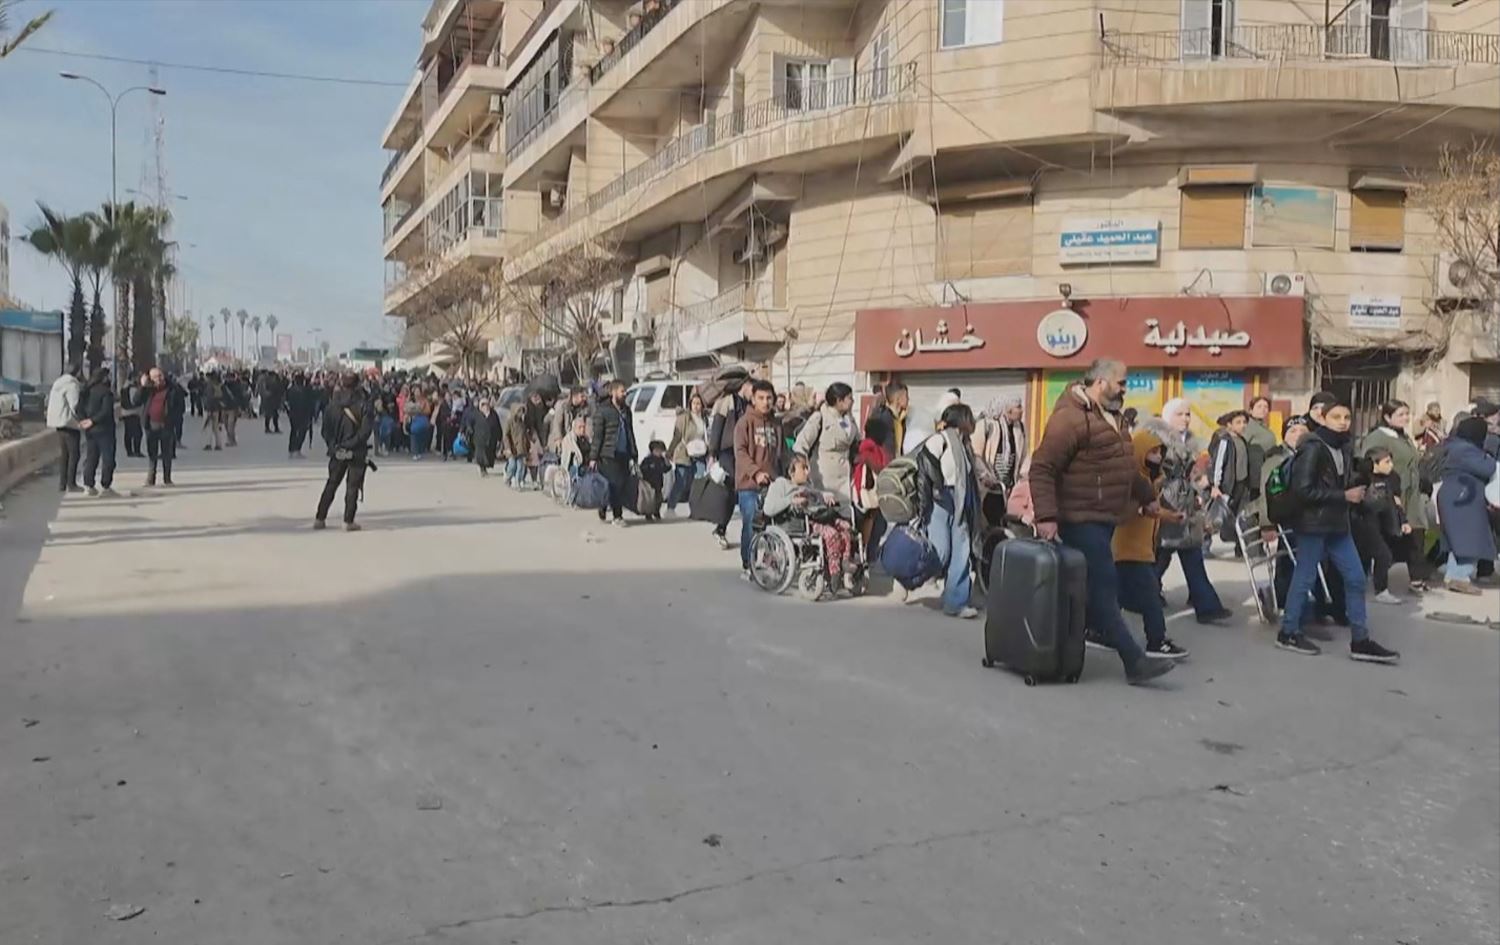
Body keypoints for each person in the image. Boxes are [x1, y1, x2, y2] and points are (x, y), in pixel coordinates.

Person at [1029, 359, 1175, 685]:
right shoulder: (1069, 418)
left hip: (1106, 518)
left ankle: (1095, 634)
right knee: (1105, 587)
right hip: (1080, 518)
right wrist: (1047, 517)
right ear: (1100, 382)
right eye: (1121, 383)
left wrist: (1146, 496)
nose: (1125, 389)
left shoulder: (1112, 417)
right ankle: (1134, 661)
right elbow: (1042, 468)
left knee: (1096, 589)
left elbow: (1122, 467)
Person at [1275, 400, 1400, 663]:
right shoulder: (1312, 447)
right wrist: (1344, 495)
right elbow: (1303, 490)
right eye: (1336, 417)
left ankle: (1360, 639)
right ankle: (1288, 631)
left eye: (1346, 416)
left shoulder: (1343, 446)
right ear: (1322, 418)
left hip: (1337, 523)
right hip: (1313, 523)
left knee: (1355, 577)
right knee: (1305, 576)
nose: (1343, 421)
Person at [1147, 398, 1232, 624]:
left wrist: (1200, 485)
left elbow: (1190, 472)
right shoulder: (1156, 439)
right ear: (1167, 416)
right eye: (1179, 414)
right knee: (1160, 557)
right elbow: (1150, 472)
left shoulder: (1189, 441)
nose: (1185, 419)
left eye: (1187, 414)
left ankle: (1207, 606)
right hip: (1166, 503)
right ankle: (1142, 595)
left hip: (1186, 505)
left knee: (1191, 555)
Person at [1113, 429, 1190, 659]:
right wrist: (1144, 508)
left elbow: (1152, 510)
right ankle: (1156, 641)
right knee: (1151, 597)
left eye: (1159, 452)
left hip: (1142, 550)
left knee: (1115, 596)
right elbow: (1126, 509)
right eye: (1152, 452)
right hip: (1130, 549)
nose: (1157, 457)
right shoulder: (1133, 480)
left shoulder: (1150, 479)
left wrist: (1169, 516)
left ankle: (1098, 630)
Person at [915, 403, 981, 619]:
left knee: (962, 550)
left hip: (960, 501)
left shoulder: (965, 445)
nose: (973, 423)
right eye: (970, 418)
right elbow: (924, 464)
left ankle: (956, 602)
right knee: (940, 551)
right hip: (941, 499)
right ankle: (909, 575)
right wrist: (936, 489)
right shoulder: (940, 439)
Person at [1359, 400, 1432, 592]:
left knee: (1416, 533)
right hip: (1390, 492)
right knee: (1385, 535)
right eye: (1400, 414)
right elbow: (1368, 462)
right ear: (1387, 417)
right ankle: (1372, 579)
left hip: (1411, 492)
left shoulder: (1404, 437)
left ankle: (1416, 578)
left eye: (1407, 414)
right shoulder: (1379, 437)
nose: (1406, 418)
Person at [765, 455, 856, 594]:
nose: (807, 472)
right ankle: (834, 573)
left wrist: (824, 495)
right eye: (804, 468)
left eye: (808, 468)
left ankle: (845, 564)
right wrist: (791, 500)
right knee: (832, 534)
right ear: (791, 472)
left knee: (846, 528)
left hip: (818, 515)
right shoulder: (780, 485)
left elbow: (817, 494)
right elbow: (769, 509)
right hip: (799, 521)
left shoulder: (808, 486)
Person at [1437, 416, 1498, 595]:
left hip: (1459, 495)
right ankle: (1459, 577)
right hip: (1463, 497)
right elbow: (1488, 468)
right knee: (1468, 537)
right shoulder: (1465, 450)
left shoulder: (1455, 445)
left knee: (1460, 538)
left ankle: (1454, 574)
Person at [314, 373, 374, 532]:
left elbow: (325, 431)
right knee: (352, 486)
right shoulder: (364, 405)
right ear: (358, 385)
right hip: (356, 451)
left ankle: (320, 518)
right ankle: (348, 521)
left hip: (337, 450)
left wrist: (335, 445)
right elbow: (365, 432)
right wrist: (350, 445)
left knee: (331, 484)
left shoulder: (332, 405)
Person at [733, 380, 781, 576]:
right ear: (753, 399)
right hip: (749, 484)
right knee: (752, 522)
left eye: (769, 398)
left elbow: (782, 453)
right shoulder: (745, 422)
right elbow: (740, 452)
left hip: (773, 484)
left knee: (773, 524)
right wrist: (756, 472)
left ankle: (769, 561)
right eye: (761, 398)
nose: (765, 402)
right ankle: (748, 564)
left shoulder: (776, 424)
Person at [1352, 446, 1409, 605]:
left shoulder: (1392, 479)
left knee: (1380, 555)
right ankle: (1379, 590)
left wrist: (1402, 520)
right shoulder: (1363, 479)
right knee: (1380, 555)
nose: (1391, 465)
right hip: (1364, 522)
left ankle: (1365, 588)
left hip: (1382, 522)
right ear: (1374, 464)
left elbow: (1396, 501)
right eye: (1386, 462)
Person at [794, 382, 860, 508]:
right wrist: (802, 470)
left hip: (846, 478)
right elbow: (802, 443)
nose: (852, 401)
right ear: (839, 400)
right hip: (824, 479)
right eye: (849, 398)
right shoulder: (820, 417)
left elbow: (857, 441)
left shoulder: (849, 420)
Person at [707, 377, 754, 549]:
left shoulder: (749, 404)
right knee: (731, 490)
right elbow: (717, 428)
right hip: (727, 451)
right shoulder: (727, 401)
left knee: (738, 491)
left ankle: (724, 528)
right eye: (751, 388)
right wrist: (712, 454)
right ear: (744, 386)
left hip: (742, 451)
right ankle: (720, 528)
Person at [589, 379, 637, 526]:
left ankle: (603, 506)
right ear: (613, 392)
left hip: (624, 453)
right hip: (608, 454)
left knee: (620, 486)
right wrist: (593, 457)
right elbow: (598, 436)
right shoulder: (603, 411)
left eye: (625, 391)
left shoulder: (626, 411)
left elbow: (630, 433)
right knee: (614, 485)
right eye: (622, 391)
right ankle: (617, 516)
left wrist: (634, 454)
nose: (625, 394)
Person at [972, 394, 1027, 494]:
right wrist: (985, 477)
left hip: (1010, 487)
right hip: (988, 487)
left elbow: (1023, 456)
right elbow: (976, 455)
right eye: (1018, 407)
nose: (1022, 410)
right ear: (1008, 410)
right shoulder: (986, 425)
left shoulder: (1020, 429)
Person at [666, 392, 709, 512]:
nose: (696, 406)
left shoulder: (704, 419)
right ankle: (670, 507)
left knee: (699, 481)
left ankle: (696, 508)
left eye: (699, 404)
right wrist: (670, 451)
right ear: (690, 405)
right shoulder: (684, 418)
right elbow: (677, 436)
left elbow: (707, 436)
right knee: (681, 481)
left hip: (700, 453)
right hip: (684, 452)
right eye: (694, 403)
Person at [136, 367, 180, 487]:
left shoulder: (171, 389)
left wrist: (173, 419)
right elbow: (136, 401)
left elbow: (179, 405)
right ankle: (151, 478)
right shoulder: (148, 390)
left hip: (166, 425)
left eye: (160, 375)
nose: (159, 379)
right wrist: (143, 386)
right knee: (152, 454)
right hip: (151, 425)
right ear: (150, 379)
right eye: (155, 377)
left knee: (167, 453)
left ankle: (167, 479)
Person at [78, 367, 117, 497]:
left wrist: (85, 420)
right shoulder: (106, 392)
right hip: (105, 429)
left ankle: (88, 485)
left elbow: (79, 408)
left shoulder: (86, 391)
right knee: (108, 458)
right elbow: (106, 411)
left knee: (91, 457)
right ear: (104, 377)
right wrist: (93, 421)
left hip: (90, 430)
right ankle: (106, 486)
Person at [48, 364, 84, 494]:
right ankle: (71, 483)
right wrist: (82, 419)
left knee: (64, 455)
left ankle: (62, 483)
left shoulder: (57, 383)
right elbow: (75, 405)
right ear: (77, 372)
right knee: (74, 454)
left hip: (58, 423)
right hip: (69, 423)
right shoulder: (72, 384)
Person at [866, 381, 908, 459]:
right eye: (906, 396)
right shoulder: (881, 418)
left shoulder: (902, 419)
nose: (908, 399)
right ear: (898, 399)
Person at [468, 395, 503, 477]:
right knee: (481, 455)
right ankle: (482, 469)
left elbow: (498, 425)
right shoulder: (476, 414)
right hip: (479, 438)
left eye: (486, 404)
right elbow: (469, 423)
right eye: (483, 404)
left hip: (491, 438)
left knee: (489, 454)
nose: (485, 406)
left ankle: (486, 467)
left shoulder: (493, 414)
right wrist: (469, 430)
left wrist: (499, 438)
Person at [285, 373, 316, 459]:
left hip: (293, 414)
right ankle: (297, 449)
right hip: (304, 414)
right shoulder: (306, 390)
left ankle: (291, 449)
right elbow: (310, 403)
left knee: (294, 431)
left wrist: (289, 412)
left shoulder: (290, 390)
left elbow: (286, 402)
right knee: (302, 432)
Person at [640, 440, 671, 522]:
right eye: (658, 451)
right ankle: (648, 514)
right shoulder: (648, 460)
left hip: (659, 483)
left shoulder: (661, 460)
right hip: (649, 484)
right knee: (650, 500)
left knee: (659, 499)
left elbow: (667, 469)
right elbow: (642, 469)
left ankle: (656, 512)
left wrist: (667, 461)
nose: (660, 453)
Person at [120, 372, 144, 458]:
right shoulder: (132, 388)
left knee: (128, 433)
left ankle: (129, 451)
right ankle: (136, 451)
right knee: (138, 433)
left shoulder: (124, 387)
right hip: (133, 413)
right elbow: (134, 401)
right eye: (138, 377)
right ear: (133, 378)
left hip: (125, 413)